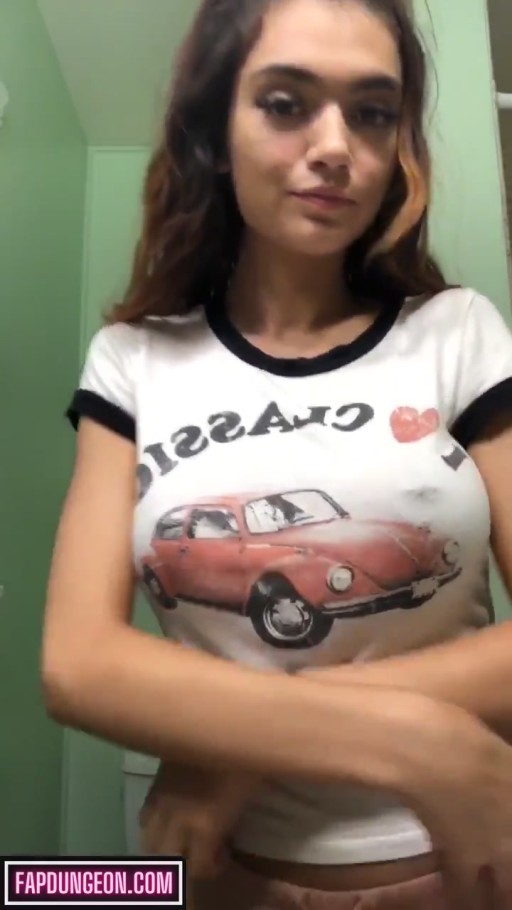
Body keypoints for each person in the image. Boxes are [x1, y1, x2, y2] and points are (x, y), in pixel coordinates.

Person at [41, 0, 512, 907]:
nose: (336, 146)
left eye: (372, 112)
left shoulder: (459, 333)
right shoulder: (133, 358)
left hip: (462, 864)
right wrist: (419, 738)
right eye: (287, 103)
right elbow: (80, 662)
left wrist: (233, 756)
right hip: (228, 881)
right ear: (217, 133)